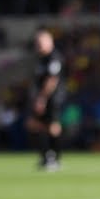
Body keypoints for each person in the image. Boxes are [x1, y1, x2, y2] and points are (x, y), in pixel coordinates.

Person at [28, 28, 67, 171]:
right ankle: (47, 156)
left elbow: (52, 80)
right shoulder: (41, 59)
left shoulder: (54, 58)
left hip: (53, 98)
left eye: (41, 42)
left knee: (52, 126)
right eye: (37, 42)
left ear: (50, 42)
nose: (38, 45)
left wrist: (42, 98)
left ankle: (54, 158)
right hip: (42, 97)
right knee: (35, 124)